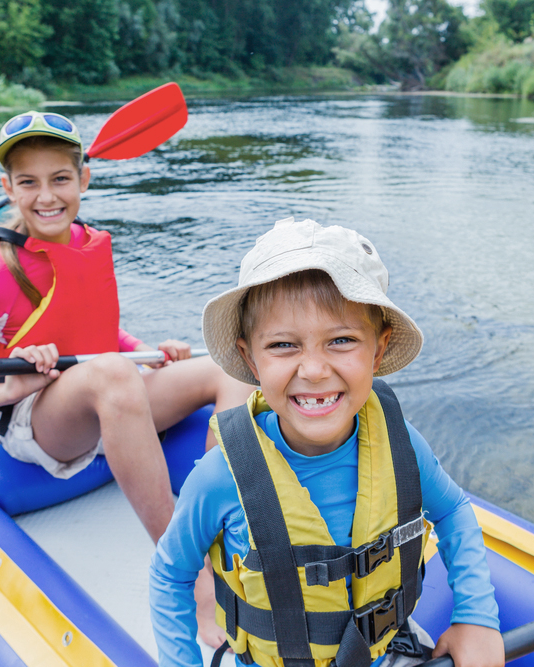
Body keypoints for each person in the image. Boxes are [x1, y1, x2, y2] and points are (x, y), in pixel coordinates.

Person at [150, 219, 505, 667]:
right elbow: (170, 575)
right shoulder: (221, 476)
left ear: (378, 351)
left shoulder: (402, 447)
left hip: (386, 653)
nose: (314, 370)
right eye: (283, 345)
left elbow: (453, 511)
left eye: (341, 340)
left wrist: (476, 616)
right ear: (250, 359)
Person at [0, 111, 254, 548]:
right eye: (28, 182)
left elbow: (103, 331)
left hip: (108, 393)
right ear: (8, 189)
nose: (46, 196)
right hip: (40, 424)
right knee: (114, 372)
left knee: (230, 367)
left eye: (60, 179)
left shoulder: (88, 242)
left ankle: (218, 514)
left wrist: (150, 352)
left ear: (84, 180)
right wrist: (4, 391)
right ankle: (182, 559)